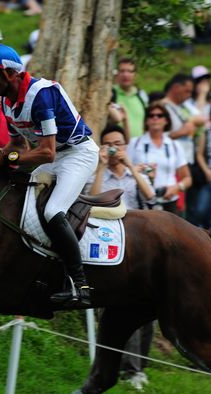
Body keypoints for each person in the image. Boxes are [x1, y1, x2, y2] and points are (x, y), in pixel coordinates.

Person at [0, 44, 99, 305]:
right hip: (53, 157)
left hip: (78, 155)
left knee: (53, 211)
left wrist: (12, 159)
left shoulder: (40, 95)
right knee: (17, 203)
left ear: (10, 74)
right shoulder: (7, 102)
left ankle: (81, 284)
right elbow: (17, 144)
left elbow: (46, 153)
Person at [86, 124, 154, 391]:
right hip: (111, 245)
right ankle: (129, 369)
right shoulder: (97, 173)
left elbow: (150, 195)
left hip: (142, 246)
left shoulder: (135, 172)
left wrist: (132, 167)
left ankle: (139, 366)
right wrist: (101, 165)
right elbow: (93, 200)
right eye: (108, 144)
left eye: (118, 144)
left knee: (149, 311)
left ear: (126, 146)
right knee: (125, 305)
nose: (114, 149)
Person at [128, 103, 191, 214]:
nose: (155, 118)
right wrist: (138, 169)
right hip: (142, 200)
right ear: (146, 121)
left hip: (169, 200)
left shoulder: (174, 145)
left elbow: (187, 178)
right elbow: (125, 171)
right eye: (151, 115)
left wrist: (177, 188)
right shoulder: (135, 143)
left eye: (159, 115)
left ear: (166, 120)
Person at [161, 73, 203, 165]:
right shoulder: (162, 107)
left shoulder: (185, 106)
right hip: (171, 159)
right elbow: (156, 136)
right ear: (176, 87)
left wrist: (192, 122)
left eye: (191, 92)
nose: (189, 95)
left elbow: (202, 119)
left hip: (187, 158)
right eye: (187, 91)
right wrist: (181, 132)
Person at [110, 57, 149, 140]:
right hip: (117, 145)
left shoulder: (141, 95)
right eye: (122, 71)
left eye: (130, 71)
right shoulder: (111, 93)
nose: (125, 75)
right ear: (117, 74)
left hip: (139, 145)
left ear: (135, 75)